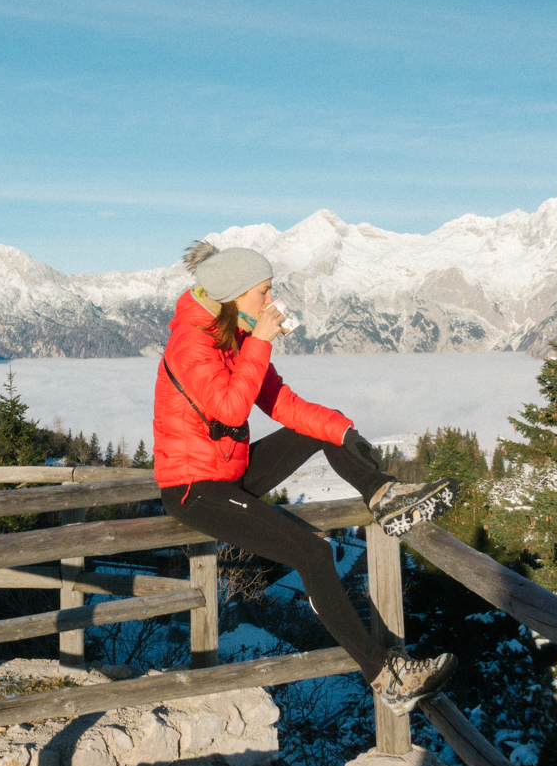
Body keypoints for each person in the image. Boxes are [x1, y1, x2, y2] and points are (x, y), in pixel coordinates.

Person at [153, 240, 457, 712]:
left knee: (322, 427)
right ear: (234, 295)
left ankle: (384, 496)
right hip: (195, 489)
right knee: (311, 551)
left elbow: (281, 404)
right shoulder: (192, 343)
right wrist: (262, 341)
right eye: (264, 292)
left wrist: (342, 431)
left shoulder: (232, 335)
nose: (272, 302)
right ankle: (385, 676)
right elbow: (230, 410)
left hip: (227, 472)